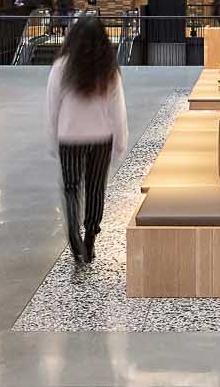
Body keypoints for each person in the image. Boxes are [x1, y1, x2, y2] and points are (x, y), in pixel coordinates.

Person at [45, 15, 129, 268]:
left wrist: (52, 136)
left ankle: (74, 237)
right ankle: (91, 235)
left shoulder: (62, 66)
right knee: (95, 189)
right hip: (101, 137)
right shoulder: (109, 69)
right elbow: (118, 109)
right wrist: (121, 141)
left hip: (70, 138)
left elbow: (52, 106)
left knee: (71, 188)